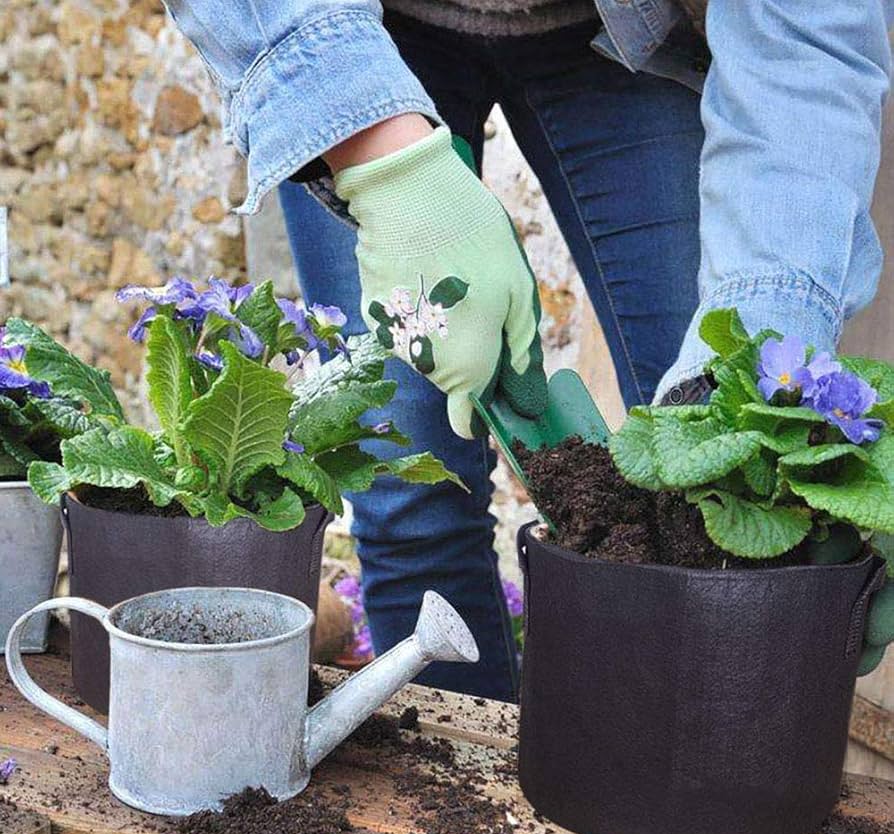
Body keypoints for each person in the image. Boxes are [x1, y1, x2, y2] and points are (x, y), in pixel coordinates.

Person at [162, 0, 893, 700]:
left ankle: (663, 771)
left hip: (619, 36)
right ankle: (455, 794)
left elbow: (808, 35)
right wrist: (389, 166)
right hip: (359, 30)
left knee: (713, 465)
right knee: (410, 498)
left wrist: (769, 329)